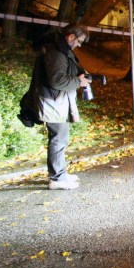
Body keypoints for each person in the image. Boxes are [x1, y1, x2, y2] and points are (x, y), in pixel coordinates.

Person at [19, 24, 92, 190]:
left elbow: (63, 73)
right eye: (79, 41)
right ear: (71, 36)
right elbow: (57, 80)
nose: (79, 45)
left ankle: (60, 173)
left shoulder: (61, 49)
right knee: (58, 139)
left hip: (56, 101)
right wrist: (78, 81)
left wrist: (79, 74)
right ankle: (57, 178)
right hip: (52, 102)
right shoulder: (56, 52)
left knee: (61, 138)